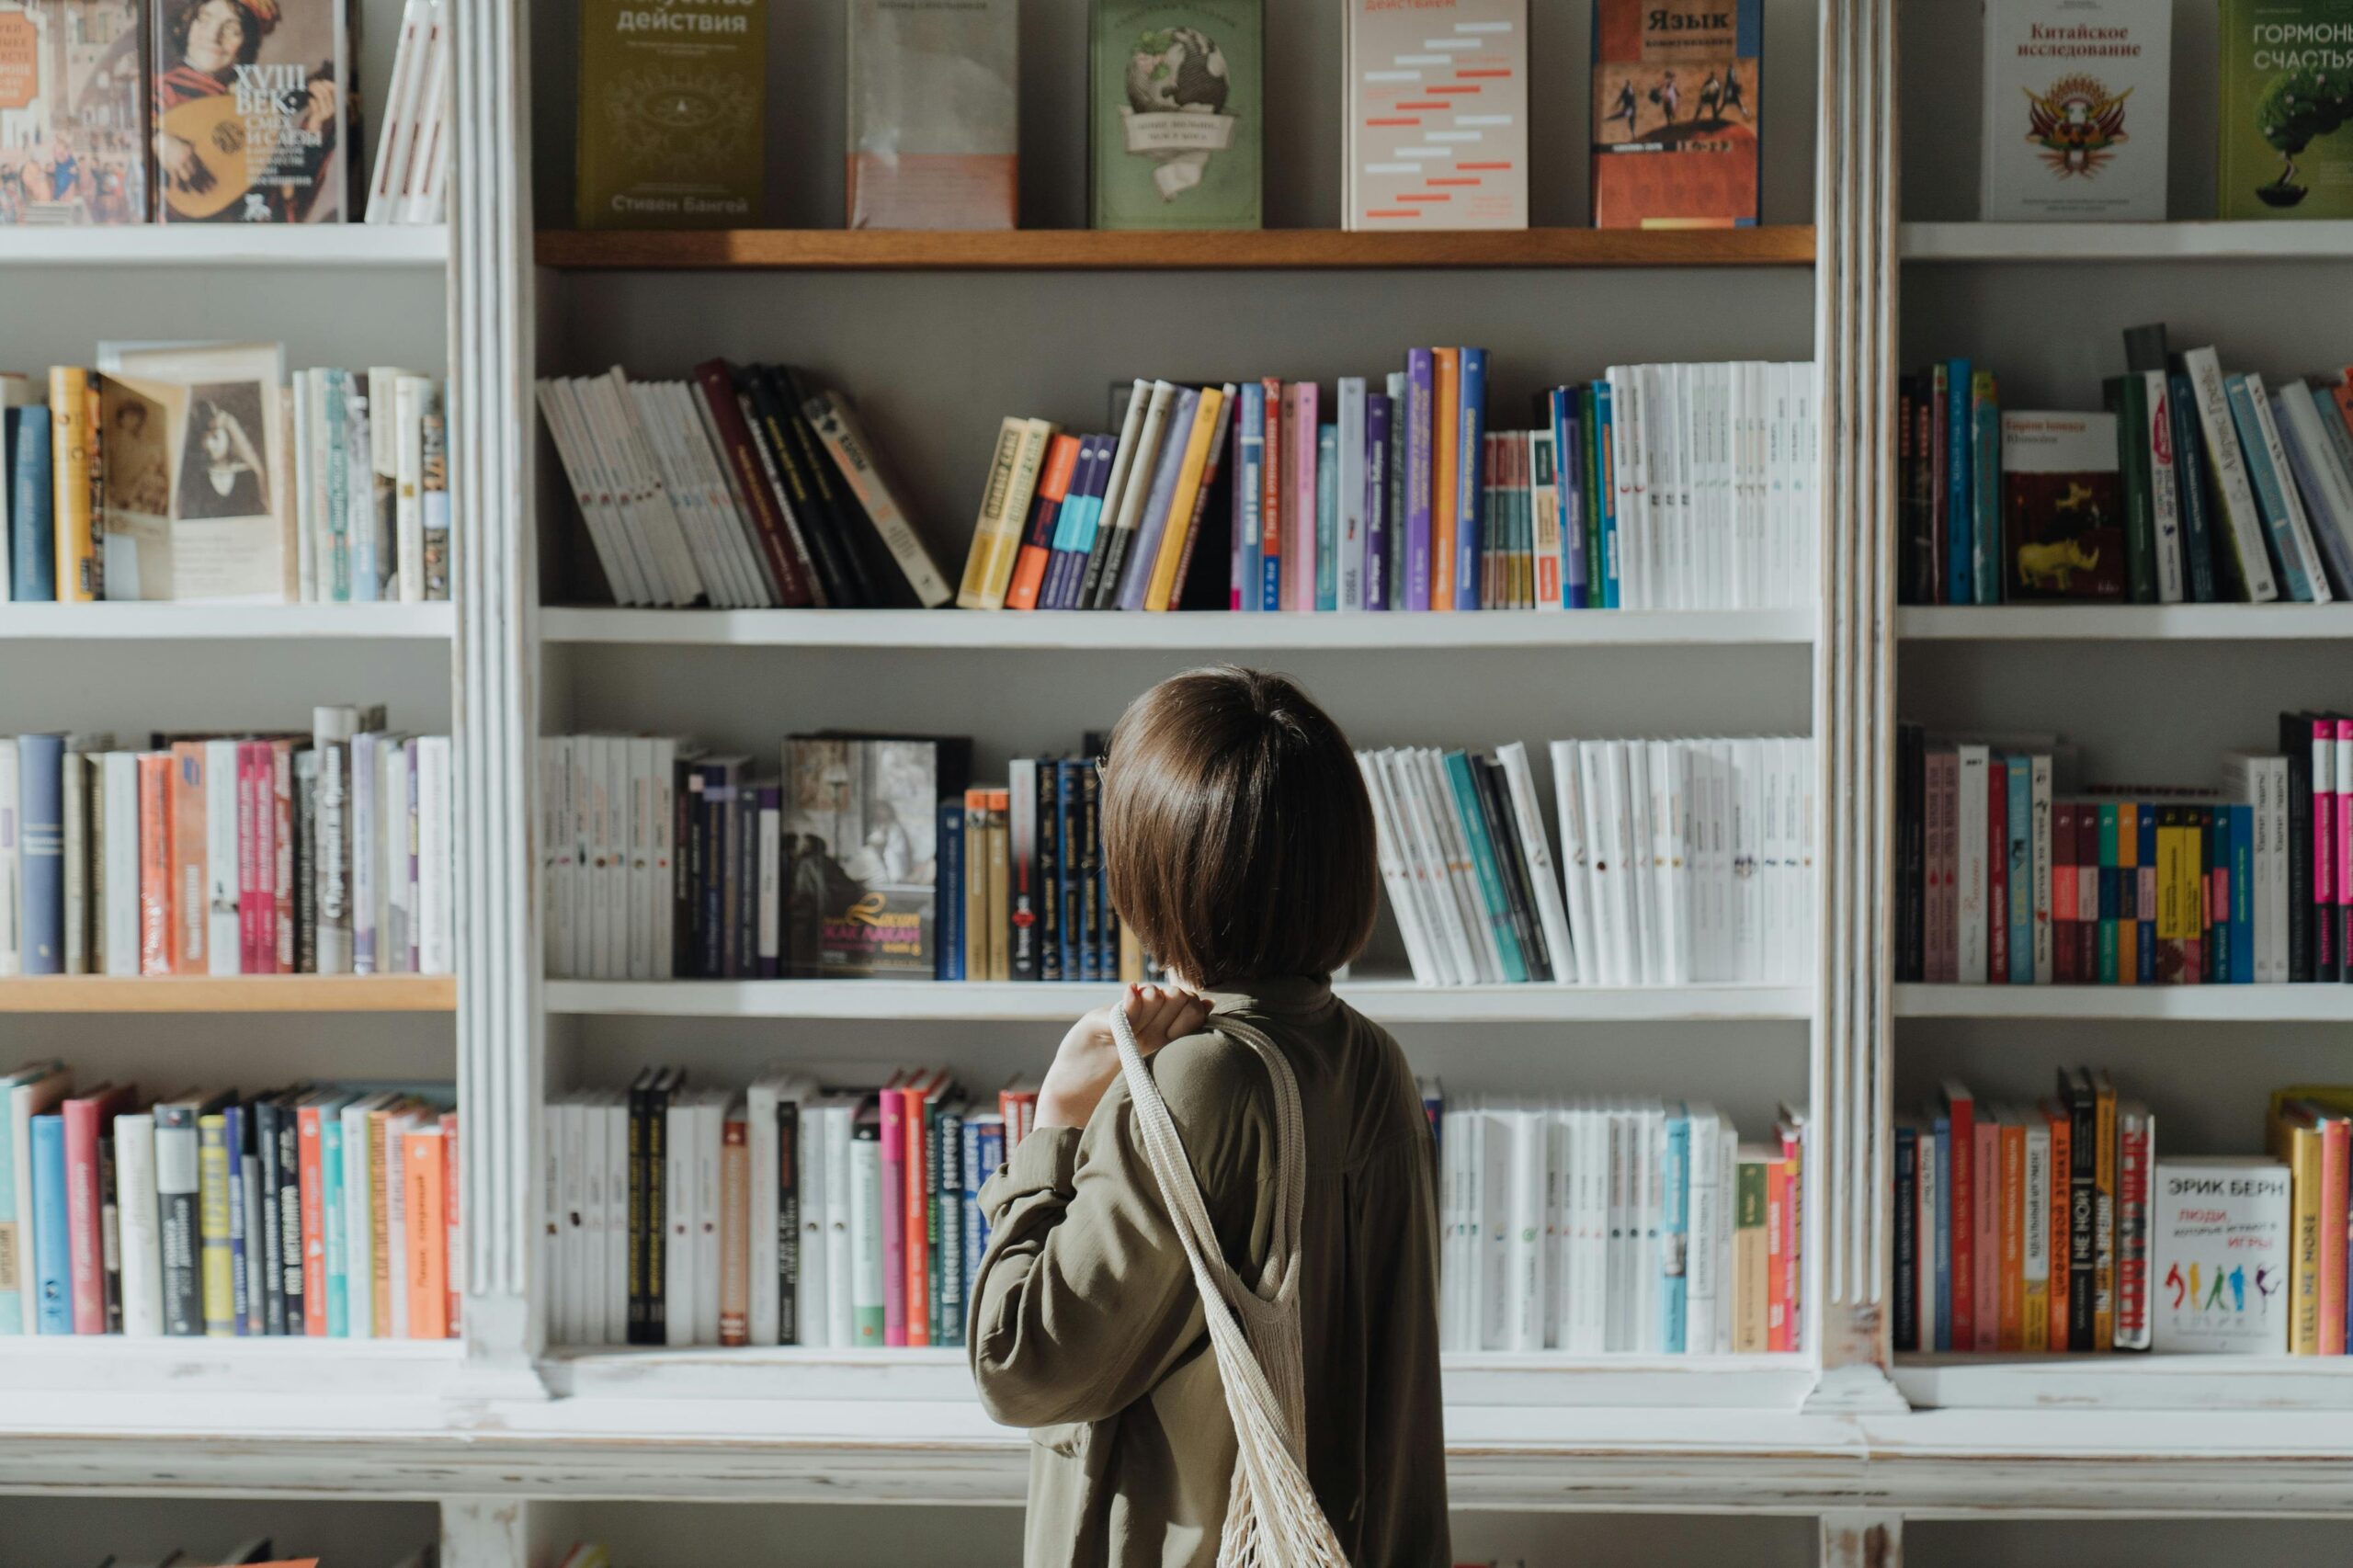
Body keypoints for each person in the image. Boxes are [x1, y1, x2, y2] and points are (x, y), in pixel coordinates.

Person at [969, 666, 1448, 1567]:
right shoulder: (1370, 1056)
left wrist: (1056, 1121)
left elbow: (1020, 1367)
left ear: (1154, 860)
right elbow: (1402, 1401)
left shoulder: (1193, 1083)